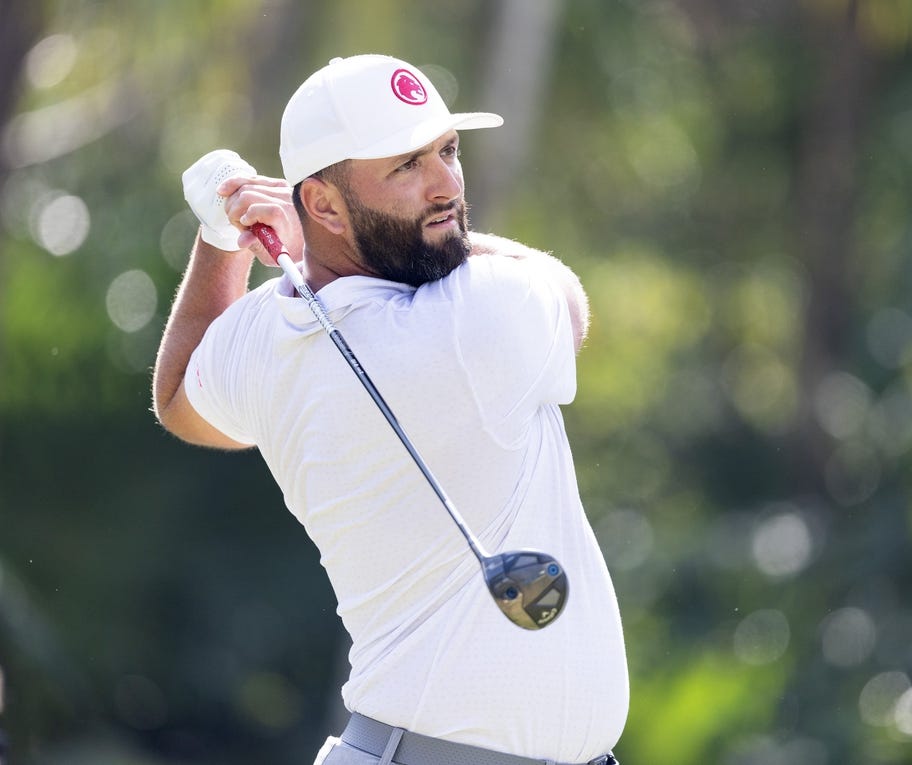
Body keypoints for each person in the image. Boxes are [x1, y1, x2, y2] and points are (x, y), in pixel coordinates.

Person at [152, 54, 628, 765]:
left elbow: (178, 397)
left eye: (447, 150)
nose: (445, 185)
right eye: (405, 166)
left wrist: (222, 236)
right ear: (321, 203)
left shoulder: (262, 337)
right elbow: (565, 294)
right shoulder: (479, 318)